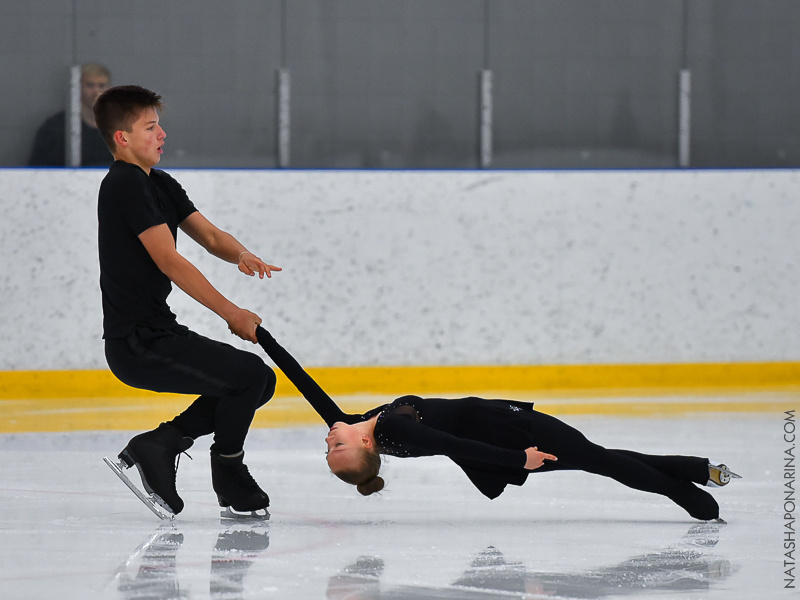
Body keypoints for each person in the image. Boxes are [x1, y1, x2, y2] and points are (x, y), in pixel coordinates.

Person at [255, 327, 740, 521]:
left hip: (495, 434)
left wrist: (259, 335)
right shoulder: (394, 432)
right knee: (599, 460)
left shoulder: (352, 423)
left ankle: (695, 470)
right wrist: (518, 459)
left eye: (327, 447)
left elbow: (300, 378)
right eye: (335, 447)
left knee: (597, 458)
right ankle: (690, 493)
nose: (327, 438)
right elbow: (448, 442)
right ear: (364, 444)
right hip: (507, 437)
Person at [95, 84, 282, 517]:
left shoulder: (158, 183)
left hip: (156, 332)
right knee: (250, 377)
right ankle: (228, 471)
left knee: (258, 381)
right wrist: (231, 312)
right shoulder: (123, 184)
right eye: (150, 126)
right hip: (135, 342)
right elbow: (169, 261)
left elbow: (212, 236)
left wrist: (241, 254)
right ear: (123, 138)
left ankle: (160, 444)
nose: (162, 134)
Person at [29, 62, 113, 167]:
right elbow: (38, 169)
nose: (96, 91)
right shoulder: (56, 128)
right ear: (78, 88)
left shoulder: (121, 128)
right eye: (90, 85)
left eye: (101, 85)